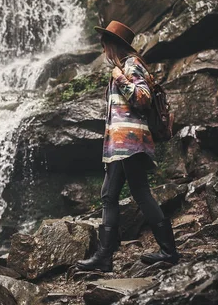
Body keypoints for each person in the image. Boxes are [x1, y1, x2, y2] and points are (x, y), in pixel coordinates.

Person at [76, 21, 180, 273]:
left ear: (113, 45)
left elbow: (142, 98)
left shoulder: (131, 66)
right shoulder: (125, 66)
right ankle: (109, 257)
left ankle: (162, 251)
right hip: (122, 144)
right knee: (115, 195)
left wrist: (119, 77)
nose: (103, 52)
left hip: (129, 143)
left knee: (127, 195)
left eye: (104, 46)